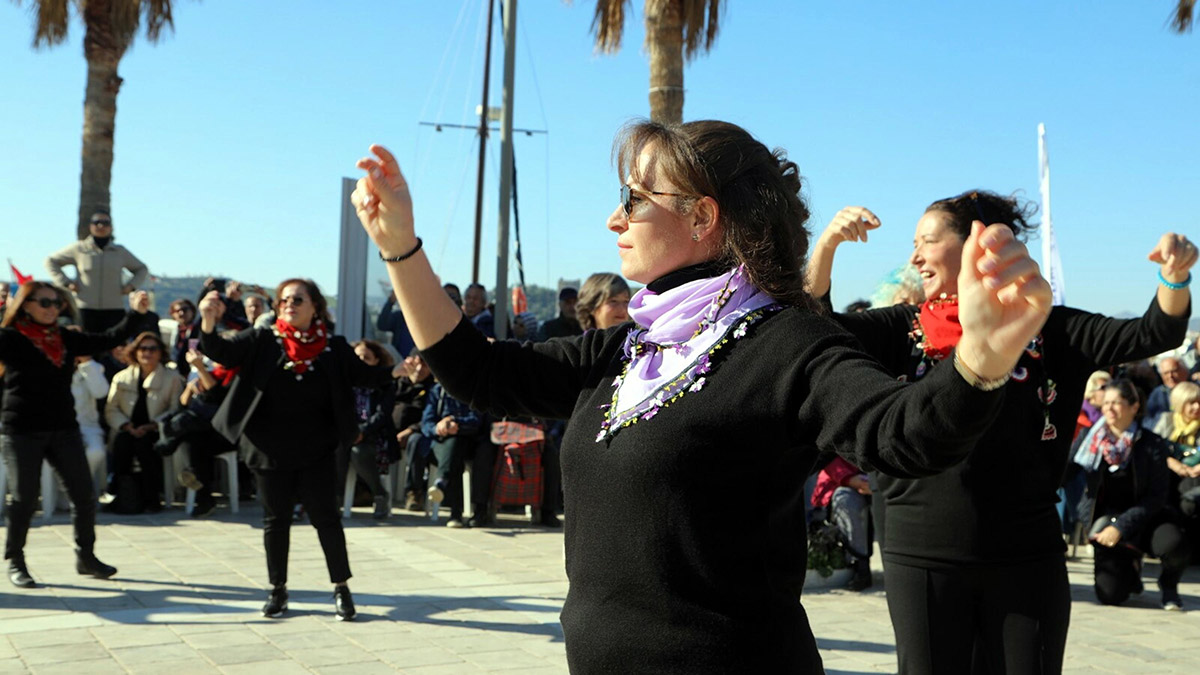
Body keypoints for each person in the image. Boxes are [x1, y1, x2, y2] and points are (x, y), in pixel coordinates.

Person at [350, 119, 1053, 673]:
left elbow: (903, 430)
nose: (613, 220)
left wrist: (980, 362)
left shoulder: (787, 344)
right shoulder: (631, 345)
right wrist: (400, 248)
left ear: (701, 216)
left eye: (633, 199)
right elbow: (480, 370)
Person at [807, 195, 1192, 673]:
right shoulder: (901, 328)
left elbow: (1153, 332)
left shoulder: (1050, 327)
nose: (915, 257)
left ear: (975, 244)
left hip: (1025, 551)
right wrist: (825, 248)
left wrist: (1174, 276)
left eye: (927, 241)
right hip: (921, 550)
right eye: (914, 244)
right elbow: (816, 330)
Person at [198, 278, 398, 621]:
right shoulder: (263, 338)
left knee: (326, 519)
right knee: (275, 521)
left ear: (315, 307)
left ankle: (341, 589)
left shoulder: (332, 347)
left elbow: (365, 376)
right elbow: (221, 352)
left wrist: (397, 370)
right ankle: (278, 591)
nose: (289, 304)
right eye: (284, 300)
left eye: (298, 299)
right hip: (268, 446)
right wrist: (207, 320)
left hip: (317, 447)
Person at [1, 282, 151, 588]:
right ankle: (16, 561)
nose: (52, 308)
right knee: (24, 498)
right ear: (26, 305)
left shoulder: (65, 338)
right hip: (22, 429)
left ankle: (86, 556)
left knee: (84, 495)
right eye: (44, 302)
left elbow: (110, 338)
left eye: (57, 304)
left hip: (63, 427)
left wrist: (135, 314)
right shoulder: (11, 338)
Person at [1069, 380, 1191, 610]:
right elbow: (1065, 471)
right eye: (1106, 403)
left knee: (1174, 544)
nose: (1109, 409)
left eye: (1116, 403)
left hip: (1149, 517)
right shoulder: (1089, 438)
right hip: (1107, 521)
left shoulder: (1151, 443)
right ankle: (1131, 570)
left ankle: (1169, 585)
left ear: (1134, 407)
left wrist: (1121, 527)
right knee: (1111, 595)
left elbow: (1157, 496)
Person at [104, 332, 184, 513]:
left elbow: (175, 409)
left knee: (145, 446)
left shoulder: (172, 378)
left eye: (152, 349)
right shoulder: (122, 378)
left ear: (160, 353)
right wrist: (126, 425)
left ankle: (152, 497)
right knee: (122, 444)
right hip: (127, 428)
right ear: (135, 352)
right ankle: (124, 495)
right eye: (143, 348)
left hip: (157, 429)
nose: (147, 353)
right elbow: (111, 409)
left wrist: (154, 424)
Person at [45, 210, 149, 333]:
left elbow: (142, 269)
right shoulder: (79, 249)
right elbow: (50, 261)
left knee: (114, 348)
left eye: (105, 223)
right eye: (97, 222)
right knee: (85, 347)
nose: (101, 226)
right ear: (90, 226)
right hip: (84, 309)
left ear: (111, 227)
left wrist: (131, 286)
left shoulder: (120, 252)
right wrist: (66, 283)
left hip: (114, 309)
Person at [341, 339, 400, 520]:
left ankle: (379, 493)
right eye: (357, 357)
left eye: (366, 358)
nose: (361, 361)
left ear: (376, 362)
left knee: (359, 452)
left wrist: (362, 431)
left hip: (375, 436)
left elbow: (382, 416)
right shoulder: (344, 383)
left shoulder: (386, 385)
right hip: (347, 434)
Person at [809, 456, 873, 590]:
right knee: (846, 499)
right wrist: (851, 479)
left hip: (874, 481)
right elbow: (830, 459)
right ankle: (859, 563)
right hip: (841, 484)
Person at [395, 350, 435, 511]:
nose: (419, 369)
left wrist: (410, 430)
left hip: (418, 432)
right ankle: (367, 490)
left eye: (424, 365)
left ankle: (414, 492)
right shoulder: (397, 382)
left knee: (416, 442)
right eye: (416, 363)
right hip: (390, 431)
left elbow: (431, 417)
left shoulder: (433, 387)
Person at [70, 349, 110, 499]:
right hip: (59, 428)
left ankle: (79, 487)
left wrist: (86, 363)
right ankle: (66, 490)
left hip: (88, 427)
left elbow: (101, 392)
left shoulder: (92, 368)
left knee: (95, 451)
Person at [1146, 356, 1188, 424]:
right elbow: (1147, 420)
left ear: (1184, 371)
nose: (1170, 376)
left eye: (1174, 371)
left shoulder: (1195, 389)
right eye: (1166, 373)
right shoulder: (1157, 394)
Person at [375, 291, 416, 357]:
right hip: (400, 361)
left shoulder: (426, 320)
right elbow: (382, 325)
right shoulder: (399, 317)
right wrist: (391, 302)